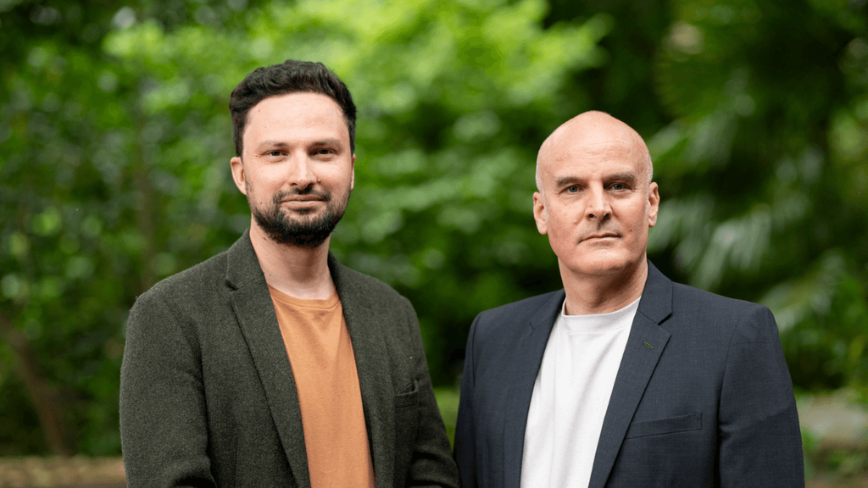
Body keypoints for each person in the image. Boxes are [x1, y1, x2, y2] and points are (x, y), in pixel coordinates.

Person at [120, 60, 459, 488]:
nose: (302, 176)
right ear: (241, 174)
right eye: (276, 153)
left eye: (323, 151)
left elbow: (432, 476)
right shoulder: (171, 316)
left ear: (352, 169)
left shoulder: (392, 313)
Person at [453, 111, 804, 487]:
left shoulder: (733, 337)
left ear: (651, 203)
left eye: (618, 185)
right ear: (542, 212)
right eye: (573, 189)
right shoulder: (493, 337)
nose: (598, 207)